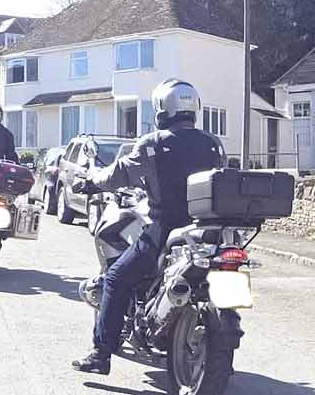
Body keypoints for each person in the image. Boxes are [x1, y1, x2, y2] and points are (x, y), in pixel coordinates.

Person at [69, 78, 224, 374]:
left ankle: (101, 354)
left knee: (116, 279)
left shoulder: (155, 143)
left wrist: (91, 181)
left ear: (162, 108)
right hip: (207, 232)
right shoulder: (212, 144)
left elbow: (118, 173)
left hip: (165, 229)